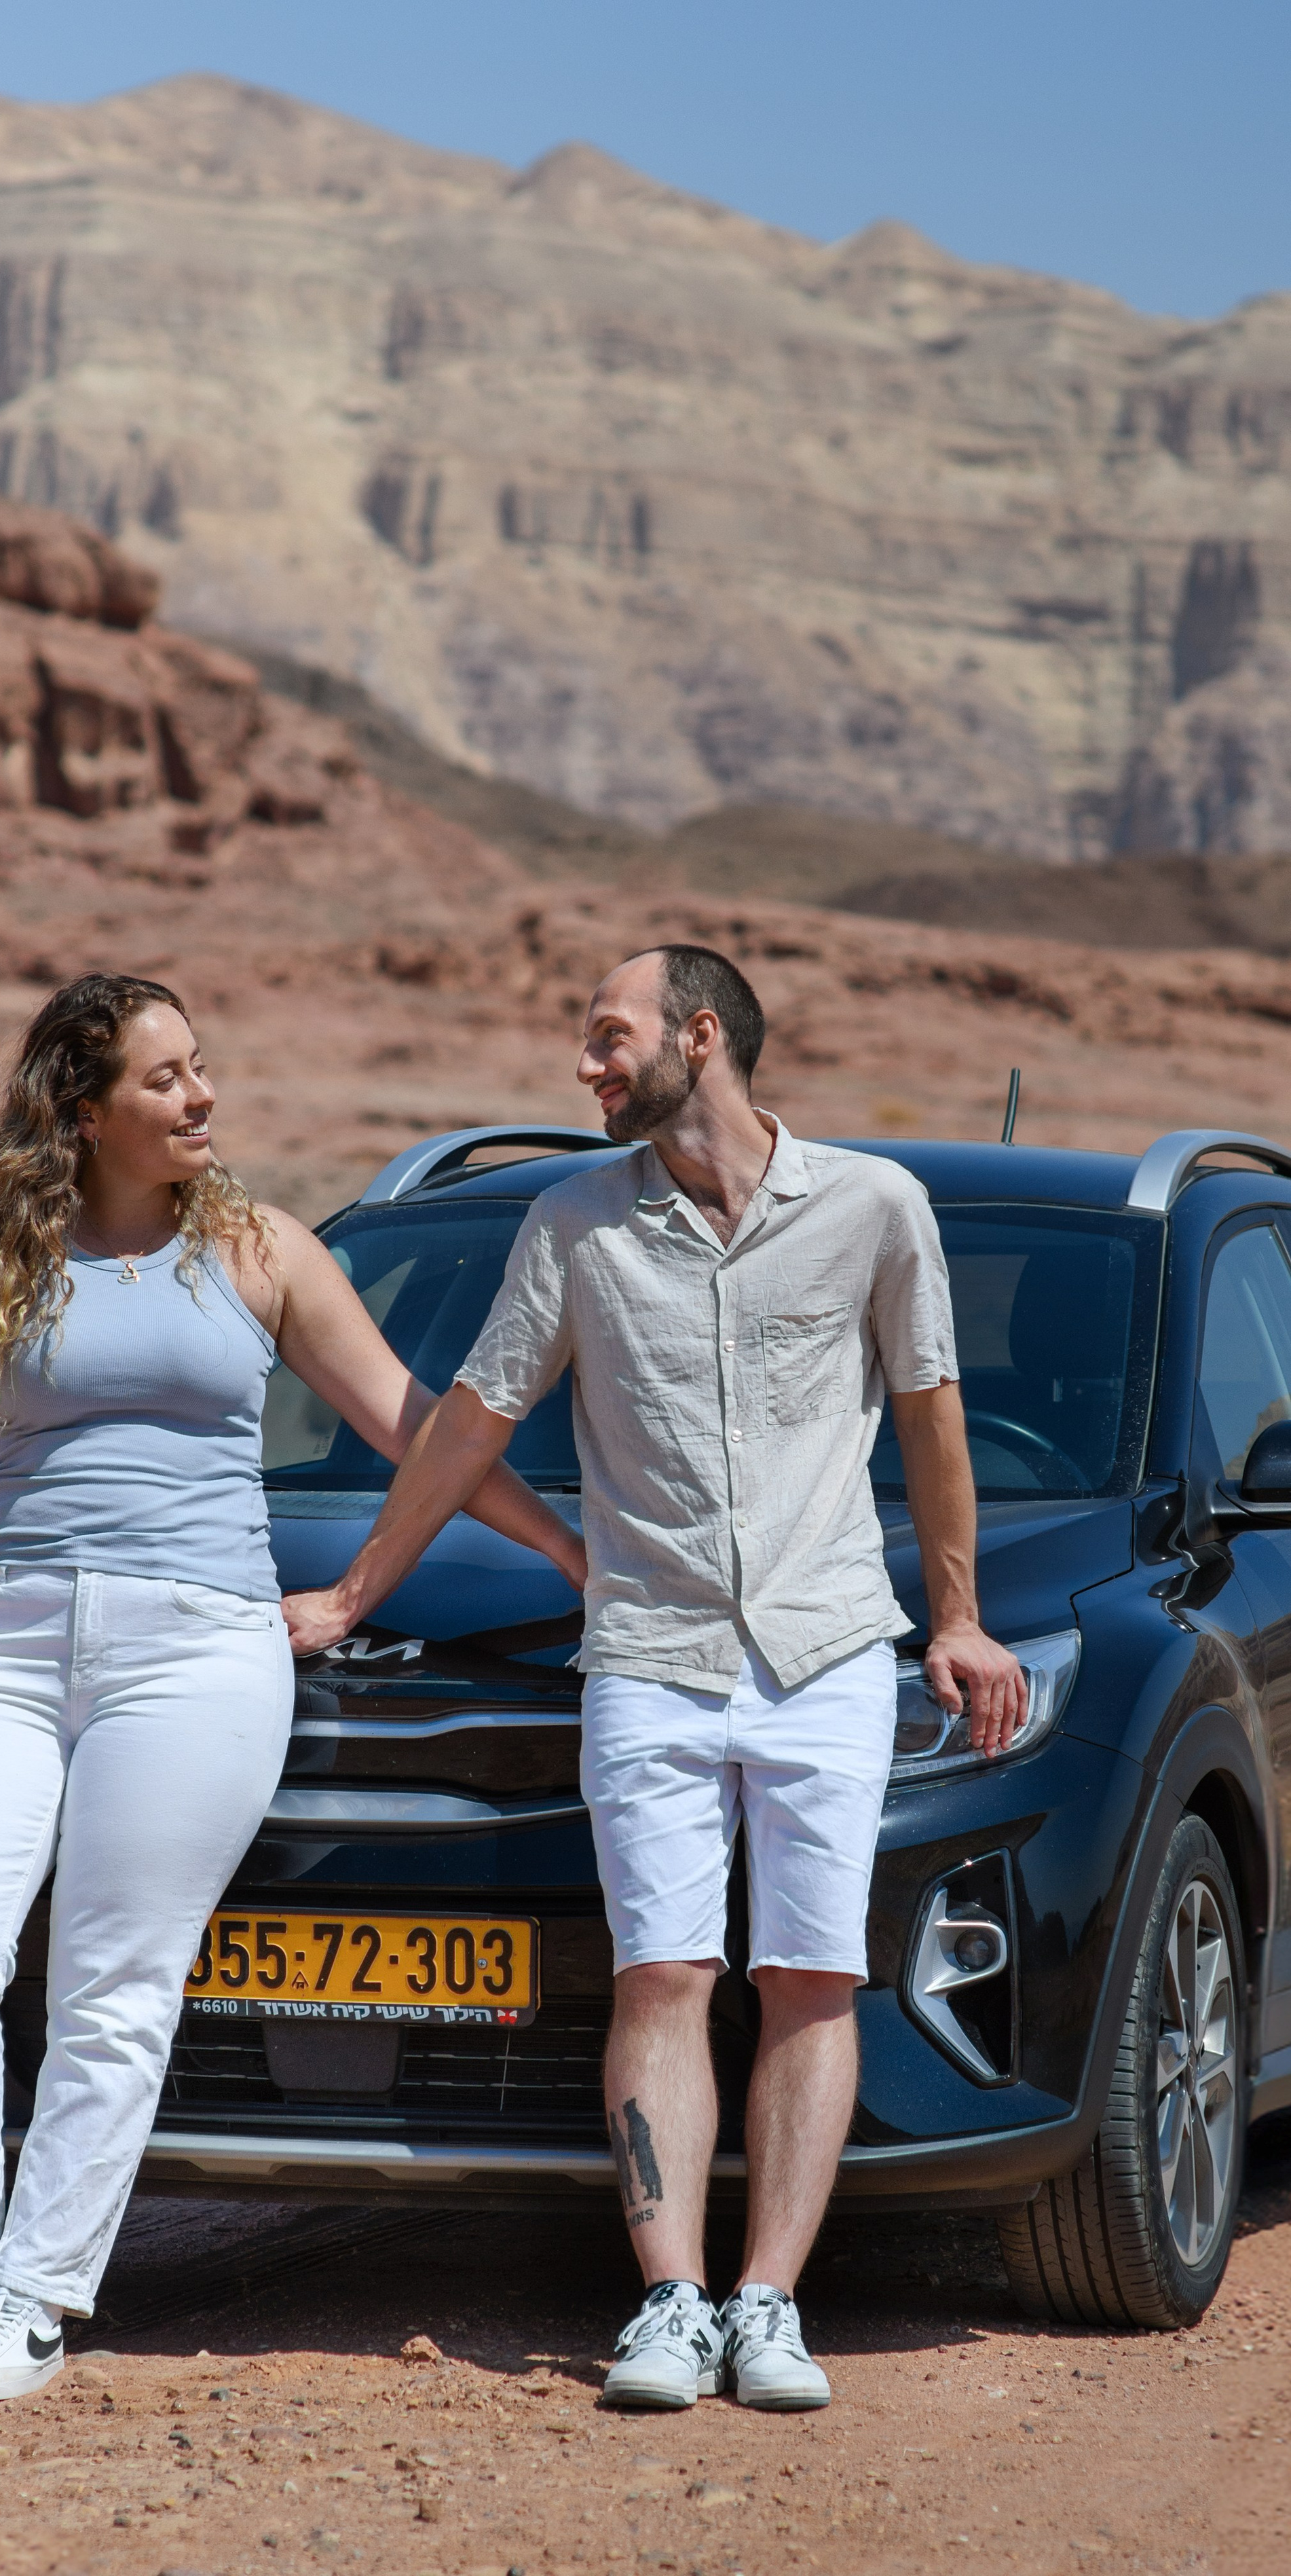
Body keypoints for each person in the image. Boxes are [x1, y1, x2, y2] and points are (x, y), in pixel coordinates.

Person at [284, 943, 1026, 2414]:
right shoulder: (573, 1224)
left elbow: (930, 1416)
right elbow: (471, 1419)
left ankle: (771, 2305)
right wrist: (354, 1594)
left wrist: (956, 1619)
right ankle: (672, 2302)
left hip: (824, 1653)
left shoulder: (875, 1208)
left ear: (698, 1036)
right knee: (662, 1973)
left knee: (811, 1978)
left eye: (606, 1036)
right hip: (648, 1659)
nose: (587, 1066)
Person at [0, 972, 582, 2404]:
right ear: (83, 1110)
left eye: (200, 1066)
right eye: (166, 1077)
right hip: (6, 1637)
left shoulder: (258, 1249)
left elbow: (412, 1422)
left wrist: (564, 1547)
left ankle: (33, 2290)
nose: (202, 1096)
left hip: (195, 1647)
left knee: (113, 1978)